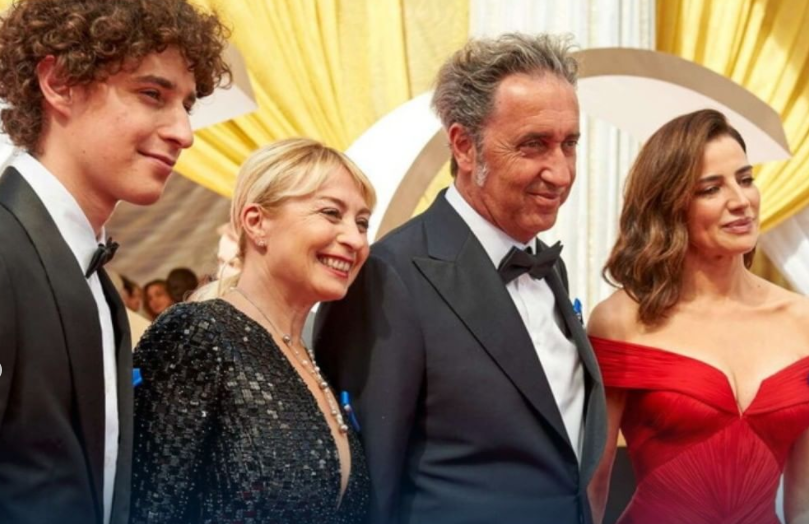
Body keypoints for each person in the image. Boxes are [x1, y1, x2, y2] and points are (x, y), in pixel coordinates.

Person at [315, 33, 606, 524]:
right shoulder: (389, 275)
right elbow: (369, 484)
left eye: (570, 144)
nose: (560, 173)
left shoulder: (549, 266)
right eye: (534, 144)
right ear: (465, 147)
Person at [0, 1, 229, 523]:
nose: (184, 133)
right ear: (59, 83)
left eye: (186, 106)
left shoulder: (96, 278)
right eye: (152, 95)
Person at [130, 138, 377, 524]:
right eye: (331, 213)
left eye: (362, 223)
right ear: (256, 222)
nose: (355, 239)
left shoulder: (310, 357)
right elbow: (150, 508)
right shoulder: (196, 334)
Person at [587, 109, 809, 524]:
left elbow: (804, 502)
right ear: (670, 207)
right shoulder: (619, 321)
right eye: (711, 189)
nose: (741, 201)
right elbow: (592, 486)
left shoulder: (802, 320)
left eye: (745, 179)